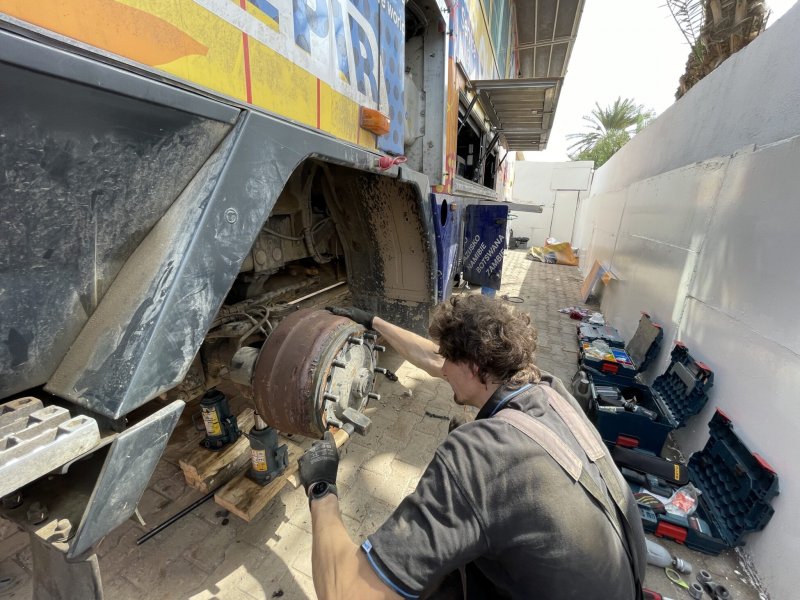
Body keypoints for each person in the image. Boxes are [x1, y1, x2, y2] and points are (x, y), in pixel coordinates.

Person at [297, 295, 646, 599]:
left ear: (475, 367)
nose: (441, 366)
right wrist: (372, 321)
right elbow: (436, 361)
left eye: (450, 359)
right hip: (620, 583)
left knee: (415, 582)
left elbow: (346, 592)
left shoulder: (479, 456)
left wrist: (322, 487)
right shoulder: (547, 390)